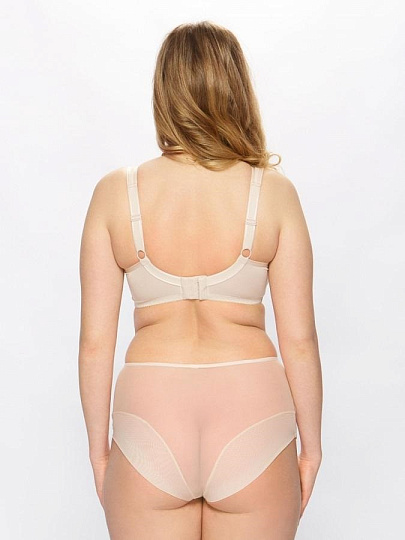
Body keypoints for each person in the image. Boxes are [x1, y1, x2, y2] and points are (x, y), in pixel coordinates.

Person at [79, 20, 322, 540]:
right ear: (237, 88)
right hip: (253, 412)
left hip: (150, 417)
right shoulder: (273, 193)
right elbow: (300, 340)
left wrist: (99, 450)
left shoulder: (114, 194)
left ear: (163, 92)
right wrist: (312, 446)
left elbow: (95, 344)